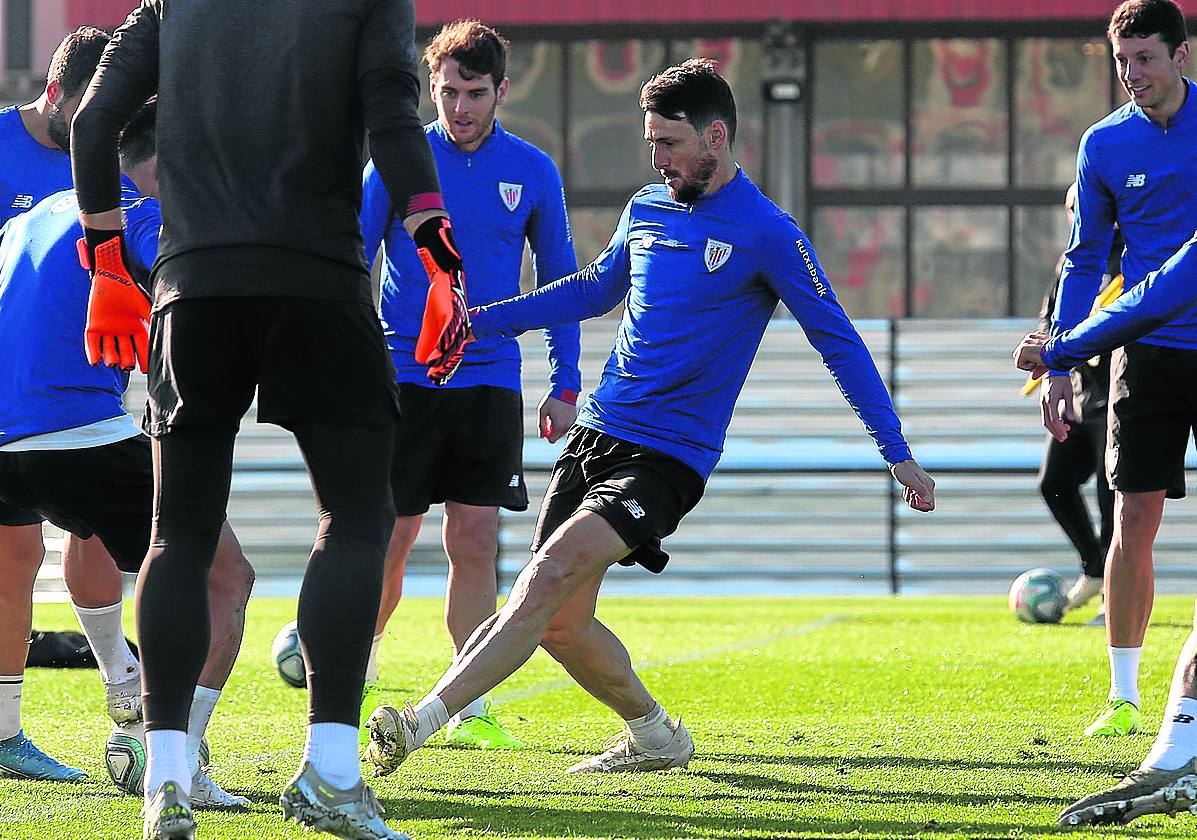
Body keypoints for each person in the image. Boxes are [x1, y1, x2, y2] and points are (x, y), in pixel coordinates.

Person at [363, 58, 935, 779]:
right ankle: (655, 734)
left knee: (546, 577)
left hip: (667, 456)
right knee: (562, 621)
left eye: (668, 143)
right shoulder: (646, 208)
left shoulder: (767, 232)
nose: (656, 158)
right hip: (599, 433)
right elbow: (590, 290)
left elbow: (838, 342)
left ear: (715, 137)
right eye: (650, 143)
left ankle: (418, 722)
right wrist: (483, 322)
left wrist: (896, 451)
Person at [69, 2, 469, 838]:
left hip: (194, 287)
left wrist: (106, 258)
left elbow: (98, 115)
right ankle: (329, 772)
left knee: (177, 534)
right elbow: (396, 117)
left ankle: (168, 779)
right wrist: (438, 252)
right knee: (357, 521)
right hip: (315, 278)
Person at [0, 100, 253, 806]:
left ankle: (114, 693)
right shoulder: (139, 209)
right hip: (74, 432)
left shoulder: (31, 214)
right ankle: (181, 762)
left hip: (7, 442)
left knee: (77, 533)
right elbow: (190, 292)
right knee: (225, 579)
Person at [359, 19, 580, 750]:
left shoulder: (533, 170)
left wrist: (566, 381)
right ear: (432, 86)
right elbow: (350, 260)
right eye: (448, 91)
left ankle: (467, 704)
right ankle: (356, 660)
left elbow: (561, 283)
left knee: (476, 540)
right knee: (390, 537)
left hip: (488, 379)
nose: (459, 107)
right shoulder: (398, 159)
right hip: (400, 376)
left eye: (474, 93)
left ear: (500, 91)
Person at [1038, 0, 1197, 740]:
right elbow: (1082, 258)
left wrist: (1065, 349)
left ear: (1180, 57)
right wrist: (1061, 359)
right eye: (1120, 61)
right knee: (1133, 517)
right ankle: (1125, 694)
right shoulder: (1101, 145)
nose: (1131, 75)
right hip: (1146, 357)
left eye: (1145, 58)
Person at [0, 25, 151, 769]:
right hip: (23, 384)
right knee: (15, 553)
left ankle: (125, 689)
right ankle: (12, 733)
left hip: (94, 376)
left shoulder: (110, 166)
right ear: (55, 94)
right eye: (93, 116)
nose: (100, 135)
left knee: (90, 534)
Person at [1033, 183, 1117, 622]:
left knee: (1112, 497)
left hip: (1120, 395)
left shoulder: (1127, 256)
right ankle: (1095, 569)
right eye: (1071, 208)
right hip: (1081, 398)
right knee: (1055, 482)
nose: (1076, 215)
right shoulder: (1071, 266)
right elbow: (1051, 321)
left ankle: (1114, 597)